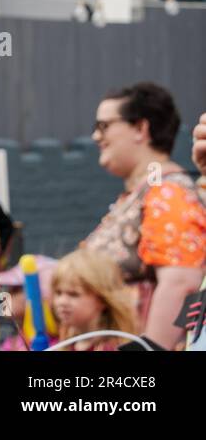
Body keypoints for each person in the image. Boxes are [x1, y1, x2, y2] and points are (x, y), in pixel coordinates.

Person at [81, 82, 206, 349]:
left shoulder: (167, 192)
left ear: (141, 128)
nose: (96, 137)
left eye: (104, 126)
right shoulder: (145, 192)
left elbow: (182, 281)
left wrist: (149, 348)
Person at [49, 249, 139, 351]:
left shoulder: (114, 347)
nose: (62, 302)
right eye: (58, 293)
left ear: (102, 300)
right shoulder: (62, 345)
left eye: (73, 294)